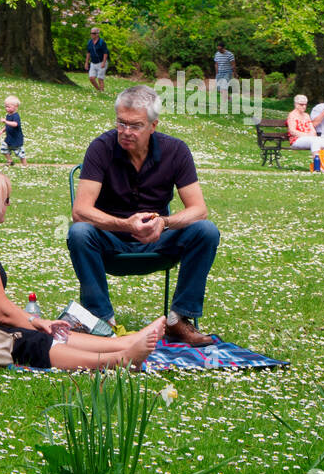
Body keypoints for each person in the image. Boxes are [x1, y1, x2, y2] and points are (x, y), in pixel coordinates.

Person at [0, 167, 165, 370]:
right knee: (27, 338)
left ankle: (123, 343)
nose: (8, 205)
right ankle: (118, 360)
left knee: (41, 329)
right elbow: (2, 313)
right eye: (5, 200)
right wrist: (38, 323)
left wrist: (40, 322)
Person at [67, 85, 220, 348]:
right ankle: (104, 323)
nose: (126, 132)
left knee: (206, 230)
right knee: (79, 232)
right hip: (110, 241)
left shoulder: (176, 151)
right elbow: (81, 210)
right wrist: (124, 224)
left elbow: (199, 209)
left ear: (153, 125)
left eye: (135, 125)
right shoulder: (100, 148)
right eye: (121, 123)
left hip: (158, 240)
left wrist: (164, 222)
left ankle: (178, 320)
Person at [287, 94, 324, 172]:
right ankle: (317, 167)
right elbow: (292, 131)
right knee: (315, 141)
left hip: (309, 139)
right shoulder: (292, 115)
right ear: (296, 104)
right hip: (296, 140)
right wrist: (306, 135)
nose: (304, 107)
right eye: (301, 104)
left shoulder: (306, 115)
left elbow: (312, 129)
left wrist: (312, 134)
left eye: (305, 104)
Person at [0, 95, 27, 167]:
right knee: (3, 148)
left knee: (20, 153)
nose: (6, 108)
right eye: (6, 106)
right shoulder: (8, 115)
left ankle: (25, 165)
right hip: (9, 138)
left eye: (9, 107)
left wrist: (5, 121)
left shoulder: (15, 116)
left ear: (16, 107)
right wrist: (2, 130)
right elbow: (8, 126)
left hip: (16, 139)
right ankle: (10, 161)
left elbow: (15, 124)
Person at [86, 27, 110, 94]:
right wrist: (86, 62)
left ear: (97, 34)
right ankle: (98, 89)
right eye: (91, 33)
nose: (92, 35)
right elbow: (88, 53)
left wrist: (104, 63)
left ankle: (102, 92)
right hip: (93, 62)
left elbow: (105, 53)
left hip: (101, 62)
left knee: (100, 78)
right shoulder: (90, 42)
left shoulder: (102, 42)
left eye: (93, 33)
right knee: (91, 78)